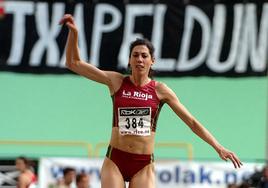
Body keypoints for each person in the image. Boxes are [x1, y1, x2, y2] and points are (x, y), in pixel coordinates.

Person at [59, 14, 243, 188]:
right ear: (129, 60)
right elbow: (73, 63)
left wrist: (218, 147)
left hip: (143, 164)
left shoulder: (160, 90)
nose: (139, 59)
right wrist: (74, 33)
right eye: (135, 55)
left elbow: (192, 122)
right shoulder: (116, 81)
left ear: (152, 61)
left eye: (144, 55)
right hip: (115, 160)